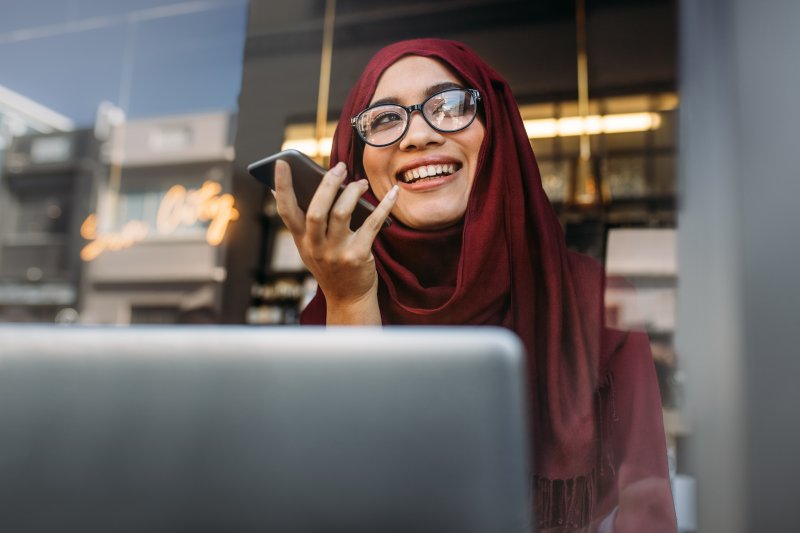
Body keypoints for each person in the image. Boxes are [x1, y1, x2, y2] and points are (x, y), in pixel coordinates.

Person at [273, 38, 676, 532]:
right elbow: (336, 501)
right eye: (383, 119)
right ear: (357, 165)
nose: (417, 136)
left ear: (497, 132)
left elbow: (646, 512)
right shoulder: (329, 310)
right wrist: (351, 299)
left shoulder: (594, 302)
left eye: (450, 106)